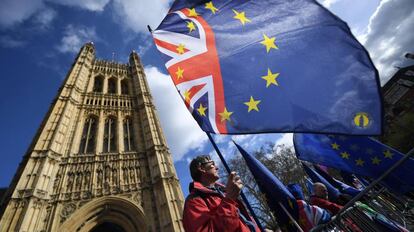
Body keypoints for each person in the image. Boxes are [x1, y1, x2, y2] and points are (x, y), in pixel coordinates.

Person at [183, 155, 260, 232]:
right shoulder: (194, 200)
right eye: (212, 164)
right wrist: (229, 200)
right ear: (201, 168)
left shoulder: (223, 192)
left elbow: (244, 221)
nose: (216, 167)